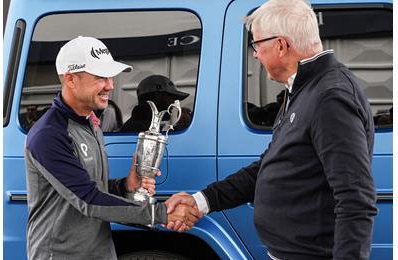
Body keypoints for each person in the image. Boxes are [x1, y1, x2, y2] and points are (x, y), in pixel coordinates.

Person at [165, 0, 378, 259]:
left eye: (257, 44)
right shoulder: (302, 89)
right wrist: (202, 201)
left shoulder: (330, 98)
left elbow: (356, 198)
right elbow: (270, 165)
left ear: (280, 45)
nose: (254, 54)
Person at [25, 36, 200, 260]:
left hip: (100, 252)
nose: (110, 85)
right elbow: (88, 200)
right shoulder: (48, 134)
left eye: (110, 76)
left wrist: (126, 185)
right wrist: (162, 213)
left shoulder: (90, 123)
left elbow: (90, 188)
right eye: (100, 77)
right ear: (70, 79)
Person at [120, 74, 191, 132]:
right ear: (158, 95)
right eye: (172, 97)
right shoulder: (145, 128)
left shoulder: (132, 125)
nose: (174, 102)